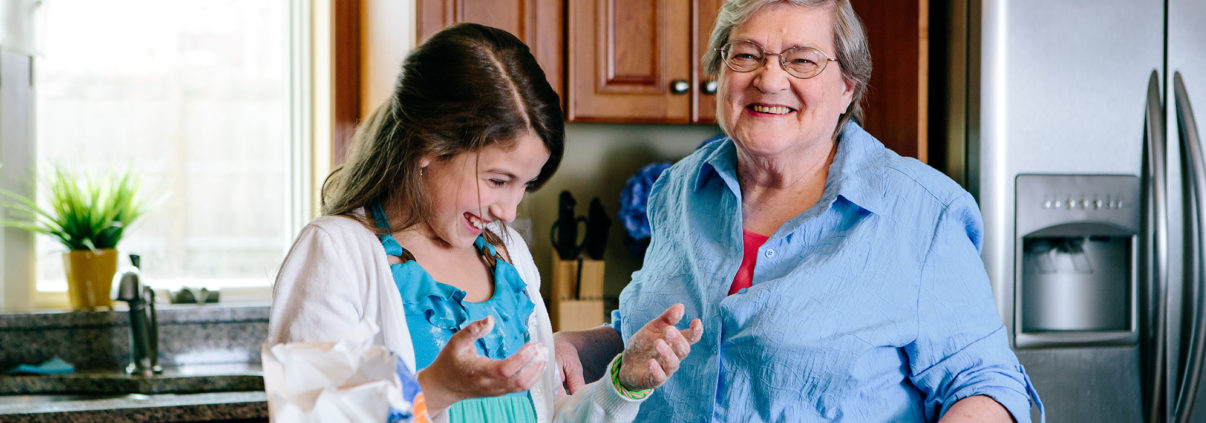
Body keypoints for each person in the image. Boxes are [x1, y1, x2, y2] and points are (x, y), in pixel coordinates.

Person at [554, 1, 1043, 422]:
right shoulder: (680, 189)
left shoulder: (921, 212)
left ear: (847, 88)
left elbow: (985, 385)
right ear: (721, 71)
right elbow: (643, 336)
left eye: (802, 61)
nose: (769, 79)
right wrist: (574, 346)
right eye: (746, 55)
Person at [267, 23, 703, 423]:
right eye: (497, 180)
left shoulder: (505, 254)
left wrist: (622, 385)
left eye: (524, 186)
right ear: (427, 145)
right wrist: (436, 390)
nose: (509, 211)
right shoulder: (337, 253)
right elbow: (309, 415)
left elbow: (546, 414)